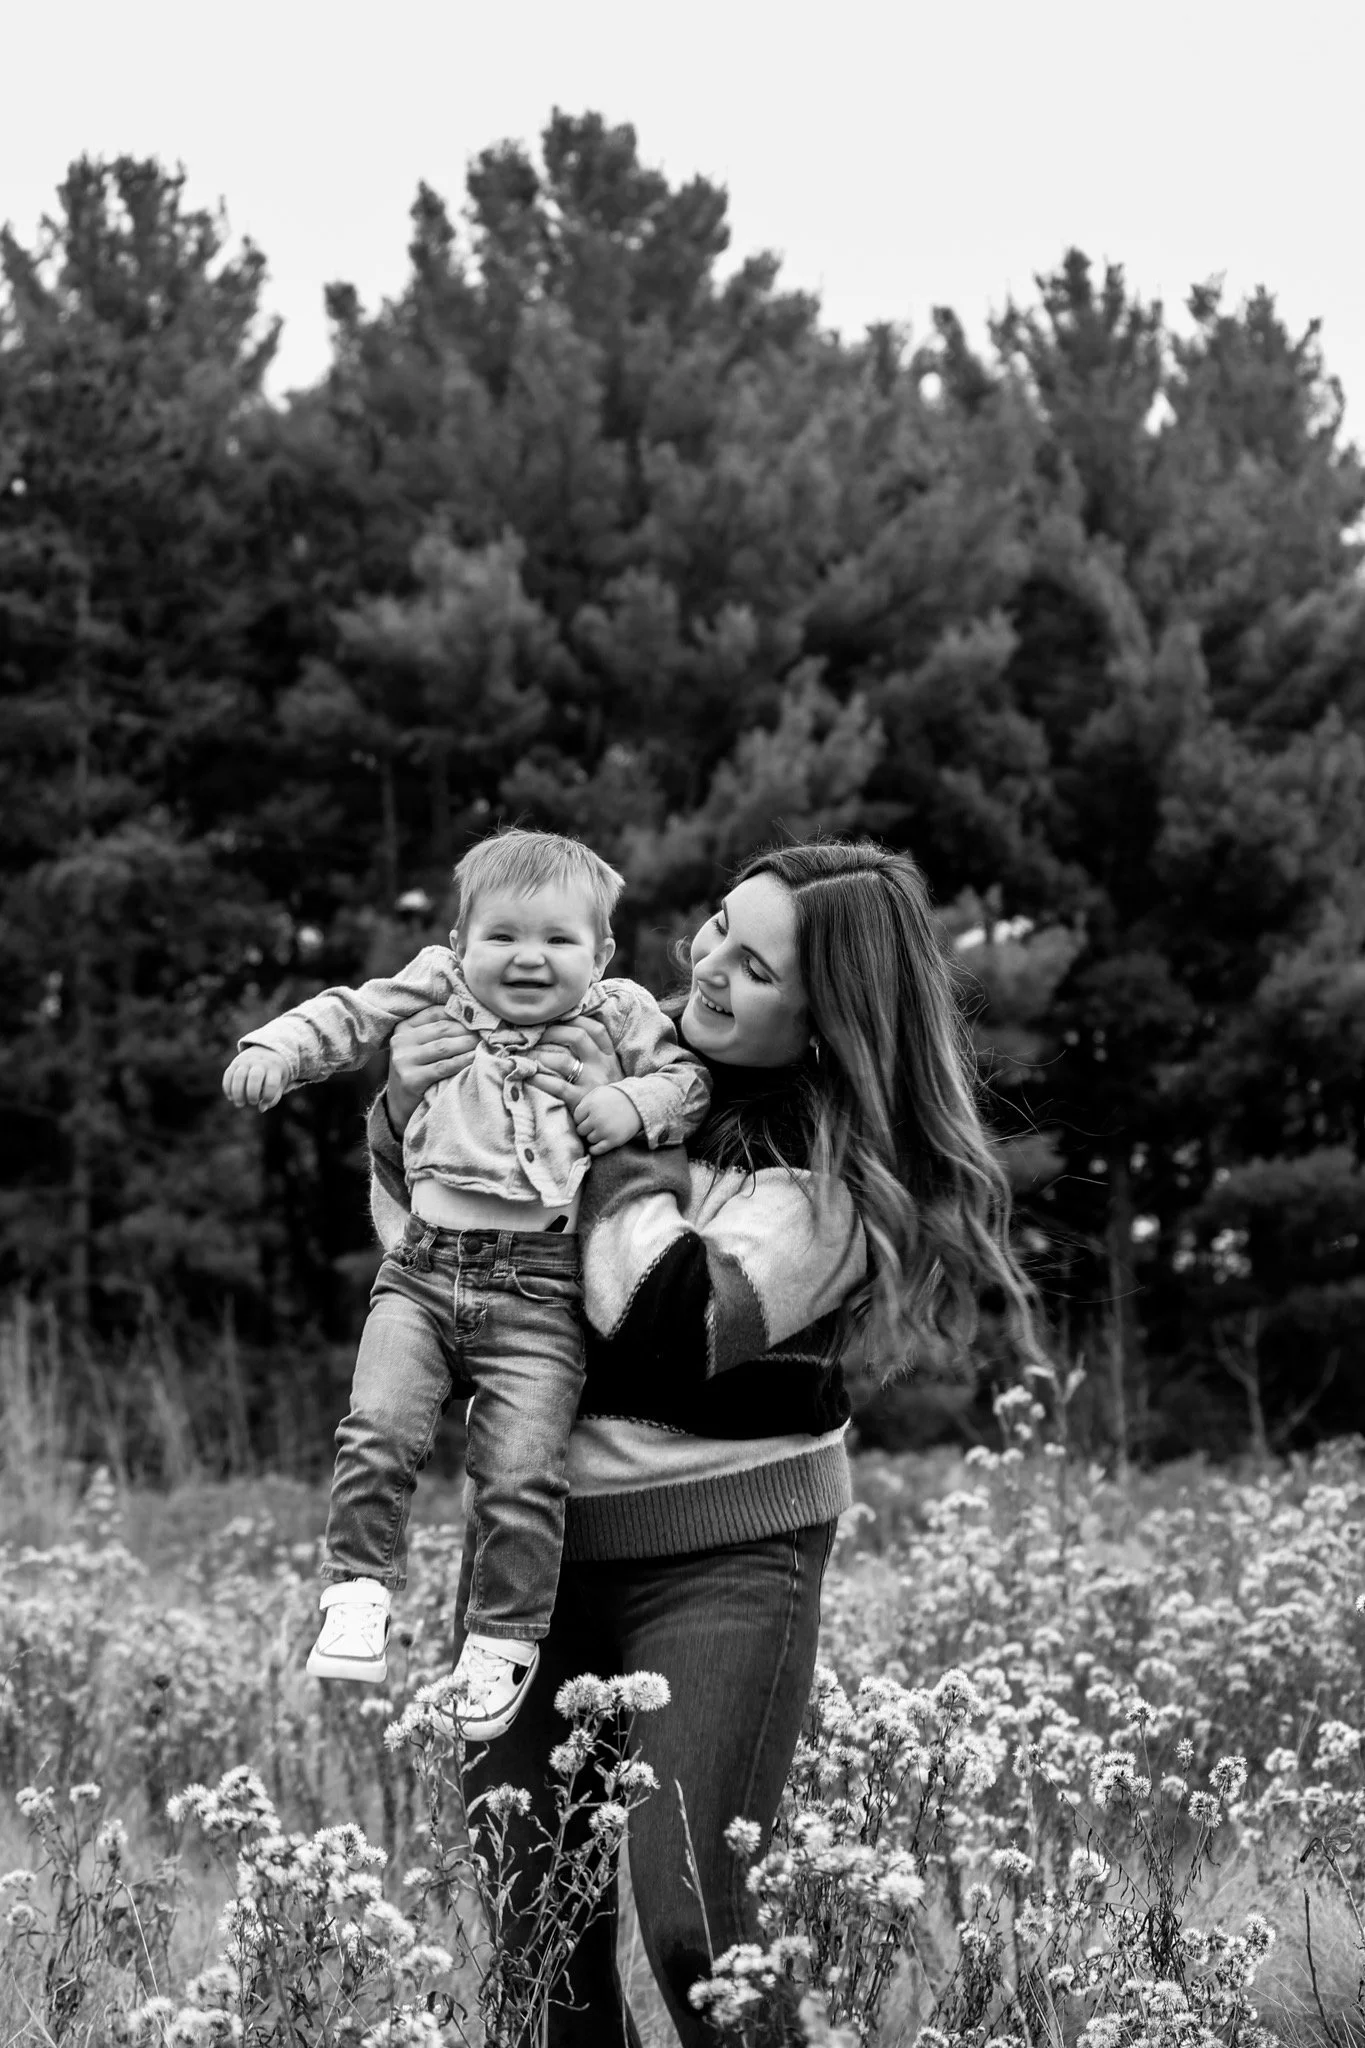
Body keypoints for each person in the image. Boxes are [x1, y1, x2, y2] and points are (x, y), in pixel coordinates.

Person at [369, 838, 1039, 2046]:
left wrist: (611, 1134)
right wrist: (407, 1108)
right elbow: (434, 1241)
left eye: (759, 967)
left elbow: (667, 1320)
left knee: (699, 1926)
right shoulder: (604, 1047)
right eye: (719, 926)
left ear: (831, 1016)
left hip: (723, 1559)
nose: (710, 965)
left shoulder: (825, 1176)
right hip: (531, 1559)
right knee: (538, 1937)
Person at [223, 829, 709, 1736]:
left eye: (558, 939)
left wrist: (631, 1101)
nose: (528, 957)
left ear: (601, 952)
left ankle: (501, 1637)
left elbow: (688, 1084)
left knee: (518, 1471)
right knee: (377, 1429)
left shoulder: (621, 1014)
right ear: (458, 944)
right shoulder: (435, 988)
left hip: (541, 1289)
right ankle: (357, 1590)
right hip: (421, 1268)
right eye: (502, 936)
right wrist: (275, 1052)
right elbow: (346, 1014)